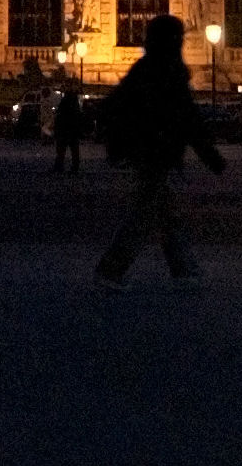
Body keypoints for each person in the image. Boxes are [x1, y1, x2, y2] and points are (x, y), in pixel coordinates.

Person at [93, 17, 224, 288]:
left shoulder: (146, 68)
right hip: (157, 153)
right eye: (180, 38)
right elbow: (189, 118)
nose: (183, 43)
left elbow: (114, 103)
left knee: (165, 214)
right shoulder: (170, 71)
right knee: (143, 215)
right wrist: (211, 156)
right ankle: (111, 269)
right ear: (173, 41)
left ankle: (184, 270)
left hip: (147, 152)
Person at [49, 74, 89, 173]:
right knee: (73, 150)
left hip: (66, 129)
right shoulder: (74, 99)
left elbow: (62, 114)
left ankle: (61, 167)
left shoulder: (67, 99)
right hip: (71, 129)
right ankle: (73, 167)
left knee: (62, 150)